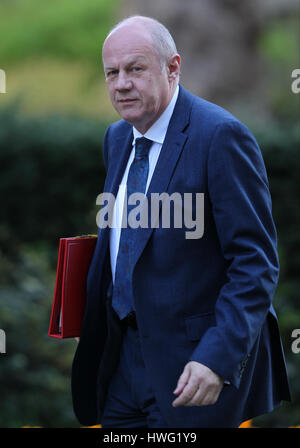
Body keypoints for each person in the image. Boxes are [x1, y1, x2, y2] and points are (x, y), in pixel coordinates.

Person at [71, 15, 291, 428]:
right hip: (121, 361)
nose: (121, 83)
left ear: (173, 68)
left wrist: (217, 358)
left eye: (135, 69)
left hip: (193, 370)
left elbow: (255, 263)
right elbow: (124, 245)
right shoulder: (116, 138)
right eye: (112, 72)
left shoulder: (221, 137)